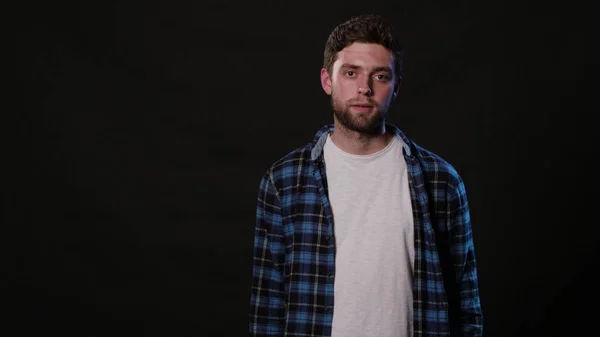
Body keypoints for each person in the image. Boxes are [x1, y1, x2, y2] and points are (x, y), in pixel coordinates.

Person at [249, 14, 483, 337]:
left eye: (380, 76)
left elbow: (466, 308)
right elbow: (267, 312)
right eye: (350, 73)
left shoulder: (441, 182)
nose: (364, 88)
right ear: (327, 80)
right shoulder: (284, 182)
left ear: (396, 86)